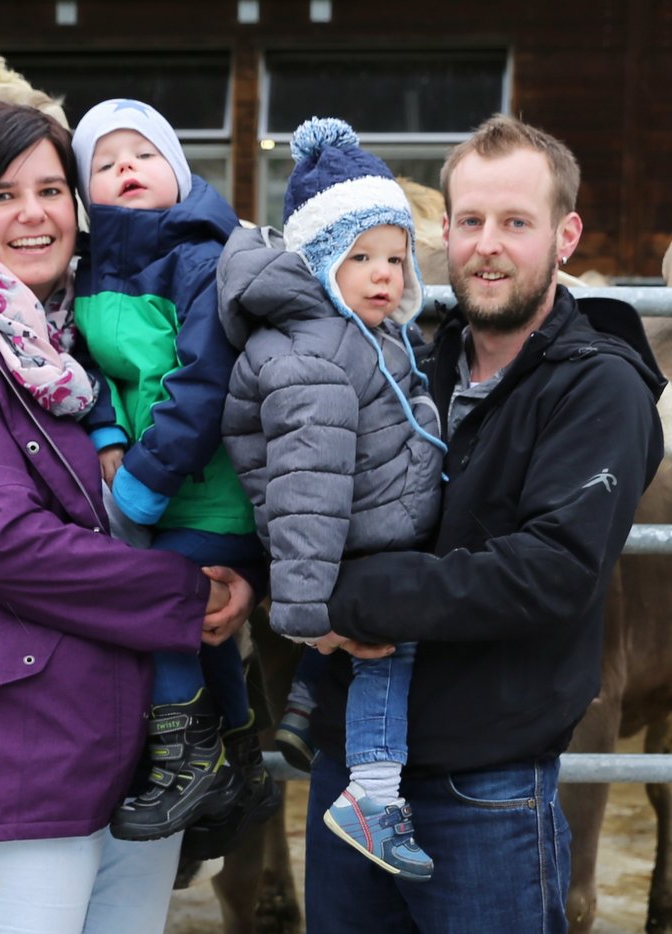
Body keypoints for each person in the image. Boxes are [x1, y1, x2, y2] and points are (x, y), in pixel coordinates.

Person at [0, 100, 255, 933]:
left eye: (51, 188)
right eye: (3, 196)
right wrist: (189, 594)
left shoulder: (84, 343)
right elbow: (5, 546)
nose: (34, 213)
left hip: (125, 751)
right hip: (11, 755)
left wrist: (235, 574)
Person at [303, 114, 667, 932]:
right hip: (350, 775)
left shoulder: (596, 391)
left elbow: (550, 570)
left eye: (515, 223)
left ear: (565, 235)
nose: (487, 246)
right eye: (470, 221)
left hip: (484, 785)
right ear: (445, 230)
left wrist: (343, 600)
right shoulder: (406, 362)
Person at [219, 117, 446, 881]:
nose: (384, 275)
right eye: (360, 259)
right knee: (388, 654)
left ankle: (307, 708)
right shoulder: (315, 354)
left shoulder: (362, 334)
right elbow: (306, 493)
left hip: (366, 532)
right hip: (356, 550)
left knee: (371, 653)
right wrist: (311, 622)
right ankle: (374, 797)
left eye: (395, 258)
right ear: (320, 262)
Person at [67, 99, 278, 847]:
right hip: (154, 479)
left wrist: (141, 486)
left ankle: (189, 757)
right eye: (106, 160)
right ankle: (240, 754)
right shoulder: (88, 269)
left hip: (206, 491)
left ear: (180, 172)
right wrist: (103, 428)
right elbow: (83, 364)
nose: (127, 168)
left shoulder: (199, 256)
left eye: (145, 154)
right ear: (84, 191)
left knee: (155, 605)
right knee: (206, 632)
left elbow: (203, 378)